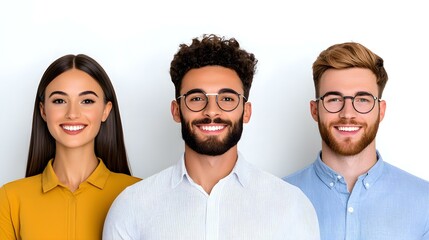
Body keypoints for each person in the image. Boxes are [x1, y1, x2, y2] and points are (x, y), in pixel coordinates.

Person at [103, 34, 320, 239]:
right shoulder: (132, 206)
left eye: (227, 99)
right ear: (176, 110)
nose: (211, 111)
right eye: (197, 98)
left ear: (246, 111)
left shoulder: (290, 204)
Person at [283, 42, 429, 239]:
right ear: (315, 110)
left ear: (381, 110)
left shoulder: (424, 202)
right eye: (334, 99)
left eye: (362, 100)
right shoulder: (278, 198)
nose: (348, 113)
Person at [0, 54, 141, 239]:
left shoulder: (137, 193)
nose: (72, 114)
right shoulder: (10, 198)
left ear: (105, 110)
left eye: (87, 101)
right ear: (43, 111)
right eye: (59, 101)